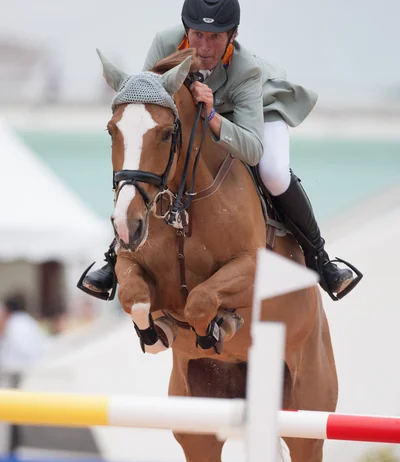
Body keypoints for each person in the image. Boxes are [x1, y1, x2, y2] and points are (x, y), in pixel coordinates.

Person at [78, 0, 360, 301]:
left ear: (232, 35)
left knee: (273, 172)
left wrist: (213, 115)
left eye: (216, 37)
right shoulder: (165, 43)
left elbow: (251, 149)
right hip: (198, 115)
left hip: (257, 111)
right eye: (197, 35)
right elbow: (148, 103)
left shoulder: (246, 70)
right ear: (187, 30)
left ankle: (321, 259)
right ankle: (115, 258)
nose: (205, 47)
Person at [0, 294, 46, 389]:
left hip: (17, 371)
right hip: (30, 369)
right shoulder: (28, 321)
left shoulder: (14, 323)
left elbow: (21, 348)